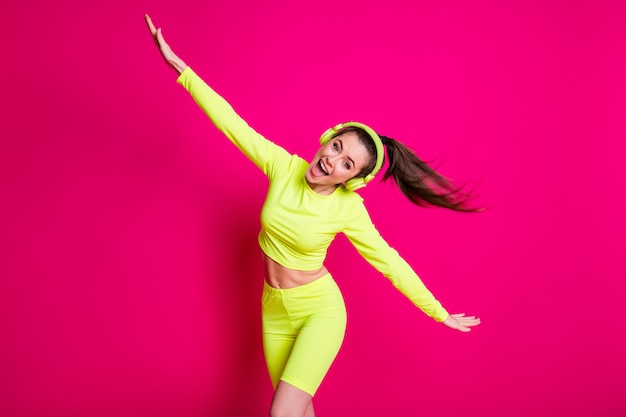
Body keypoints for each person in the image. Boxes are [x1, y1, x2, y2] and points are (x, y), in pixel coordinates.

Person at [145, 14, 481, 417]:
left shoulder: (348, 209)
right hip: (274, 310)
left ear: (351, 179)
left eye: (346, 163)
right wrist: (181, 68)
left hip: (319, 311)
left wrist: (438, 312)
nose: (333, 159)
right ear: (328, 138)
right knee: (301, 412)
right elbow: (233, 124)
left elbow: (388, 261)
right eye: (337, 147)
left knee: (281, 413)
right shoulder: (282, 167)